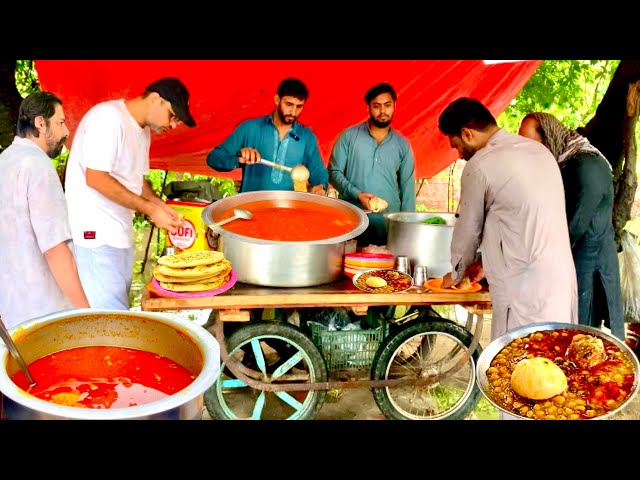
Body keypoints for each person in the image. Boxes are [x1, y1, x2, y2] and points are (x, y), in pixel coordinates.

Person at [438, 97, 578, 343]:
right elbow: (520, 217)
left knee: (519, 370)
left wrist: (456, 272)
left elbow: (468, 231)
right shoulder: (538, 151)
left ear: (467, 134)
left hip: (523, 290)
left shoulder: (480, 165)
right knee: (556, 364)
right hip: (560, 282)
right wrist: (484, 261)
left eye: (456, 146)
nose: (459, 155)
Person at [64, 77, 196, 310]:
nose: (173, 125)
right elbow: (96, 178)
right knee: (108, 321)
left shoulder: (141, 132)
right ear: (156, 99)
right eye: (173, 115)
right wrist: (150, 209)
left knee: (117, 313)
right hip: (96, 236)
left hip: (118, 235)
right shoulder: (108, 118)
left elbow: (137, 181)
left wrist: (160, 205)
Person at [519, 112, 624, 340]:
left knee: (581, 338)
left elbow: (574, 225)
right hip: (574, 263)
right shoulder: (569, 163)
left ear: (549, 138)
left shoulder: (588, 165)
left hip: (587, 267)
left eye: (532, 146)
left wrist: (537, 258)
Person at [0, 92, 90, 329]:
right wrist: (87, 315)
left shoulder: (4, 162)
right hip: (45, 314)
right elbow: (55, 250)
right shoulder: (38, 165)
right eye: (60, 123)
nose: (66, 132)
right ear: (41, 123)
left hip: (11, 313)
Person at [328, 82, 416, 247]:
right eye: (377, 106)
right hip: (353, 224)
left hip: (388, 228)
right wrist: (357, 194)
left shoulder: (402, 145)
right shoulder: (348, 137)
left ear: (394, 106)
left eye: (387, 105)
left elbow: (407, 190)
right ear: (368, 108)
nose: (383, 111)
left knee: (387, 272)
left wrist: (408, 230)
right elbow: (333, 172)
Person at [206, 77, 328, 194]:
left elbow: (318, 172)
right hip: (251, 209)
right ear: (277, 100)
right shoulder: (249, 128)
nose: (293, 112)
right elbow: (214, 158)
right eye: (289, 104)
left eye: (299, 106)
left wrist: (320, 186)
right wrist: (239, 159)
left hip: (289, 210)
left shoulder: (307, 137)